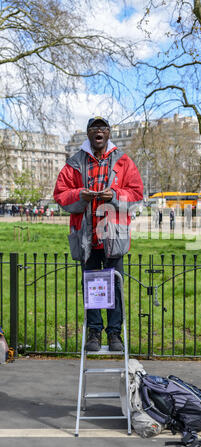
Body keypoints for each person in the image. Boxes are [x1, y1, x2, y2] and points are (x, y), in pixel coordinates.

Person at [53, 116, 143, 352]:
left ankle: (114, 335)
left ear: (109, 133)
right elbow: (61, 194)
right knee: (92, 286)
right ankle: (94, 333)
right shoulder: (74, 163)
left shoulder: (123, 162)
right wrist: (79, 195)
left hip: (113, 236)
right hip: (87, 238)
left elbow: (136, 194)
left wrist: (113, 195)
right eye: (94, 128)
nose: (99, 131)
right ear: (88, 133)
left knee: (115, 285)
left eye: (103, 128)